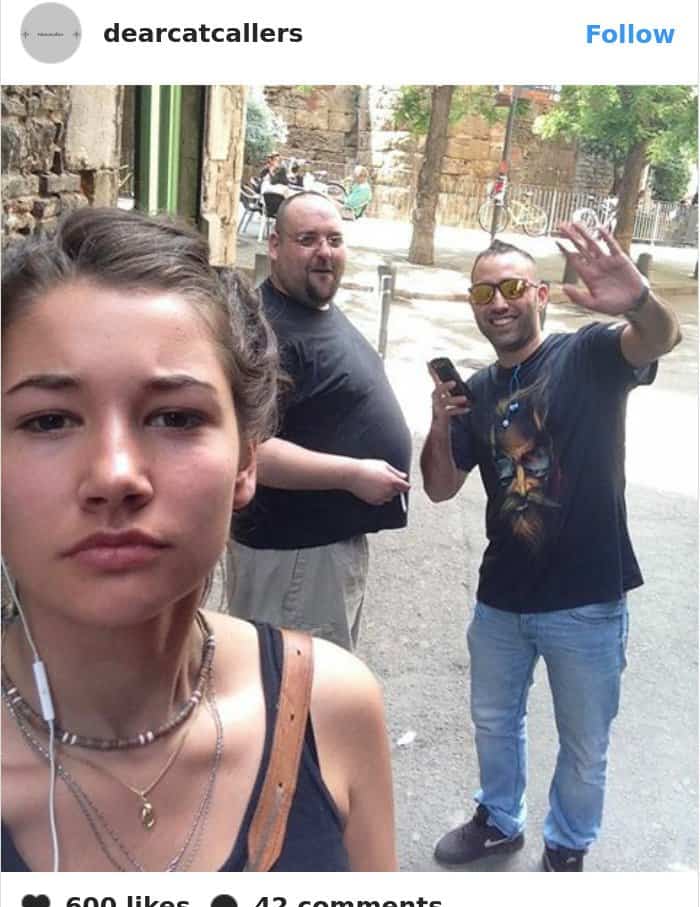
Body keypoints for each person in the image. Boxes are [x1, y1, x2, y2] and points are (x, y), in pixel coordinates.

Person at [1, 207, 396, 872]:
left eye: (175, 417)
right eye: (48, 421)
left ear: (247, 461)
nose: (115, 475)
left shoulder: (331, 711)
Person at [420, 225, 681, 871]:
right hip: (501, 598)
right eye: (483, 292)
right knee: (493, 721)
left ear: (539, 293)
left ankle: (567, 846)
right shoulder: (477, 390)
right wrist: (439, 423)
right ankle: (498, 819)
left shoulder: (587, 355)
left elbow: (660, 338)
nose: (498, 302)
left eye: (512, 287)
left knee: (585, 743)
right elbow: (440, 488)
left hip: (585, 600)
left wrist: (638, 300)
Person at [231, 191, 411, 651]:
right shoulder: (263, 329)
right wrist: (352, 474)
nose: (324, 252)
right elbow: (248, 448)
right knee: (296, 687)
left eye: (334, 239)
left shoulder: (312, 306)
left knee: (326, 683)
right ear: (274, 245)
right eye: (307, 239)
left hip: (323, 555)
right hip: (292, 560)